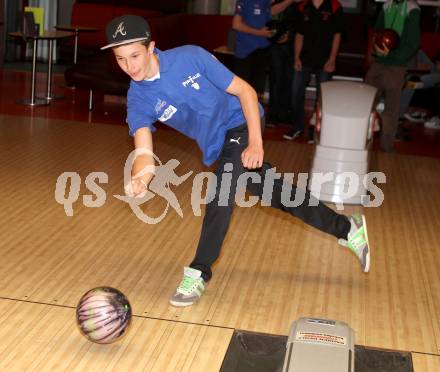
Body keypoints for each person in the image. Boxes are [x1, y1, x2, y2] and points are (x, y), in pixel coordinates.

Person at [101, 15, 371, 308]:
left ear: (151, 47)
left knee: (221, 194)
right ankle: (347, 228)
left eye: (135, 55)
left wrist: (256, 142)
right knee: (275, 193)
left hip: (242, 121)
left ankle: (199, 270)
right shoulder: (138, 98)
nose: (131, 66)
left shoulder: (190, 58)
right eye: (121, 59)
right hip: (218, 144)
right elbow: (144, 153)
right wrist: (142, 177)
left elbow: (246, 91)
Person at [283, 0, 344, 142]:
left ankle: (314, 129)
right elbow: (299, 35)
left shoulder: (335, 6)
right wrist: (297, 58)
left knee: (322, 98)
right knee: (295, 93)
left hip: (325, 61)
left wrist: (332, 59)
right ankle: (297, 126)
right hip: (304, 59)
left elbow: (337, 35)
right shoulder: (303, 6)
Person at [364, 0, 420, 152]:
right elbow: (377, 30)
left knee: (391, 110)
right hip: (379, 63)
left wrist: (392, 55)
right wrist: (377, 48)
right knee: (365, 104)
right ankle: (358, 142)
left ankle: (386, 147)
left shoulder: (412, 9)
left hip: (396, 67)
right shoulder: (386, 5)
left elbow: (413, 44)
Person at [232, 0, 295, 98]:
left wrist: (289, 1)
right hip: (245, 51)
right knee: (242, 91)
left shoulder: (266, 2)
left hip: (262, 50)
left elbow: (271, 11)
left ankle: (256, 112)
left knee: (257, 92)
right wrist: (259, 33)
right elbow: (236, 24)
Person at [267, 2, 298, 126]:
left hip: (295, 45)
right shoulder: (278, 2)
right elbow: (270, 13)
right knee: (276, 80)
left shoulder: (302, 5)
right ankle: (273, 115)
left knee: (290, 80)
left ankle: (285, 114)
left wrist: (290, 35)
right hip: (276, 44)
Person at [400, 50, 440, 123]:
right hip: (434, 73)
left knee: (420, 80)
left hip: (434, 77)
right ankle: (401, 112)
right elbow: (435, 65)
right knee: (418, 52)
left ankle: (402, 112)